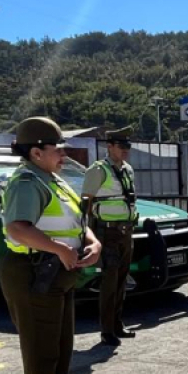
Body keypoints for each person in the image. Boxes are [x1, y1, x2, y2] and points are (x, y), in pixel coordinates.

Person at [0, 117, 102, 374]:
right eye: (57, 149)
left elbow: (76, 221)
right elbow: (18, 228)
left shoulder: (52, 180)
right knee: (42, 356)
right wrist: (59, 248)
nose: (63, 154)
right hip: (34, 275)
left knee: (59, 352)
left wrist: (92, 241)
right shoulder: (27, 183)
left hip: (56, 275)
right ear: (36, 152)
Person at [82, 126, 139, 347]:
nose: (125, 150)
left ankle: (117, 324)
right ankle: (107, 330)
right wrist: (89, 235)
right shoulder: (98, 170)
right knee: (110, 281)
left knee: (122, 279)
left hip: (125, 230)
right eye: (121, 146)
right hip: (107, 232)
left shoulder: (127, 169)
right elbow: (86, 202)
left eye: (127, 146)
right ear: (110, 146)